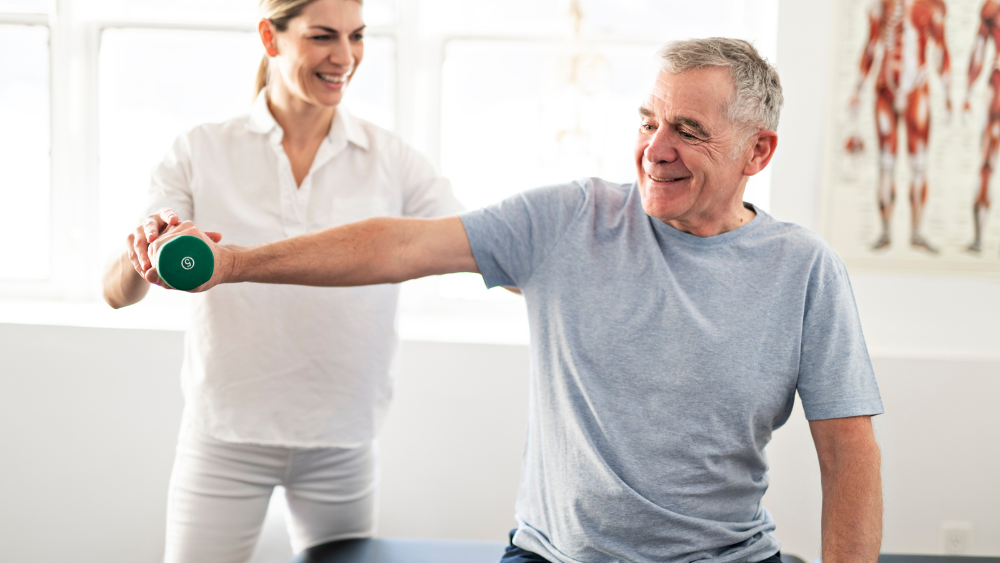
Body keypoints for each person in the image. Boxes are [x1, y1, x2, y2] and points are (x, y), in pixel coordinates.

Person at [136, 38, 884, 563]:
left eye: (689, 131)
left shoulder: (803, 270)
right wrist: (235, 262)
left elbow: (846, 449)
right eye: (649, 121)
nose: (657, 147)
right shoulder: (569, 220)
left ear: (759, 151)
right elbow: (399, 245)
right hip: (552, 555)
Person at [101, 0, 462, 561]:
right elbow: (115, 292)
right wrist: (141, 251)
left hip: (341, 439)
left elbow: (475, 244)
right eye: (323, 36)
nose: (345, 56)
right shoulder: (201, 149)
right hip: (225, 436)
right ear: (271, 37)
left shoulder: (390, 159)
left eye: (357, 36)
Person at [844, 0, 952, 252]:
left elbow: (940, 50)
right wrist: (857, 91)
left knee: (918, 164)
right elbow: (870, 47)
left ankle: (915, 232)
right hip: (885, 89)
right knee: (886, 164)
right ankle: (885, 232)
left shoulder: (932, 6)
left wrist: (948, 93)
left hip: (917, 89)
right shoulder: (881, 6)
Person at [964, 0, 1000, 253]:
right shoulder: (992, 7)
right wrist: (967, 90)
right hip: (997, 88)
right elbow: (978, 50)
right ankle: (979, 237)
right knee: (987, 158)